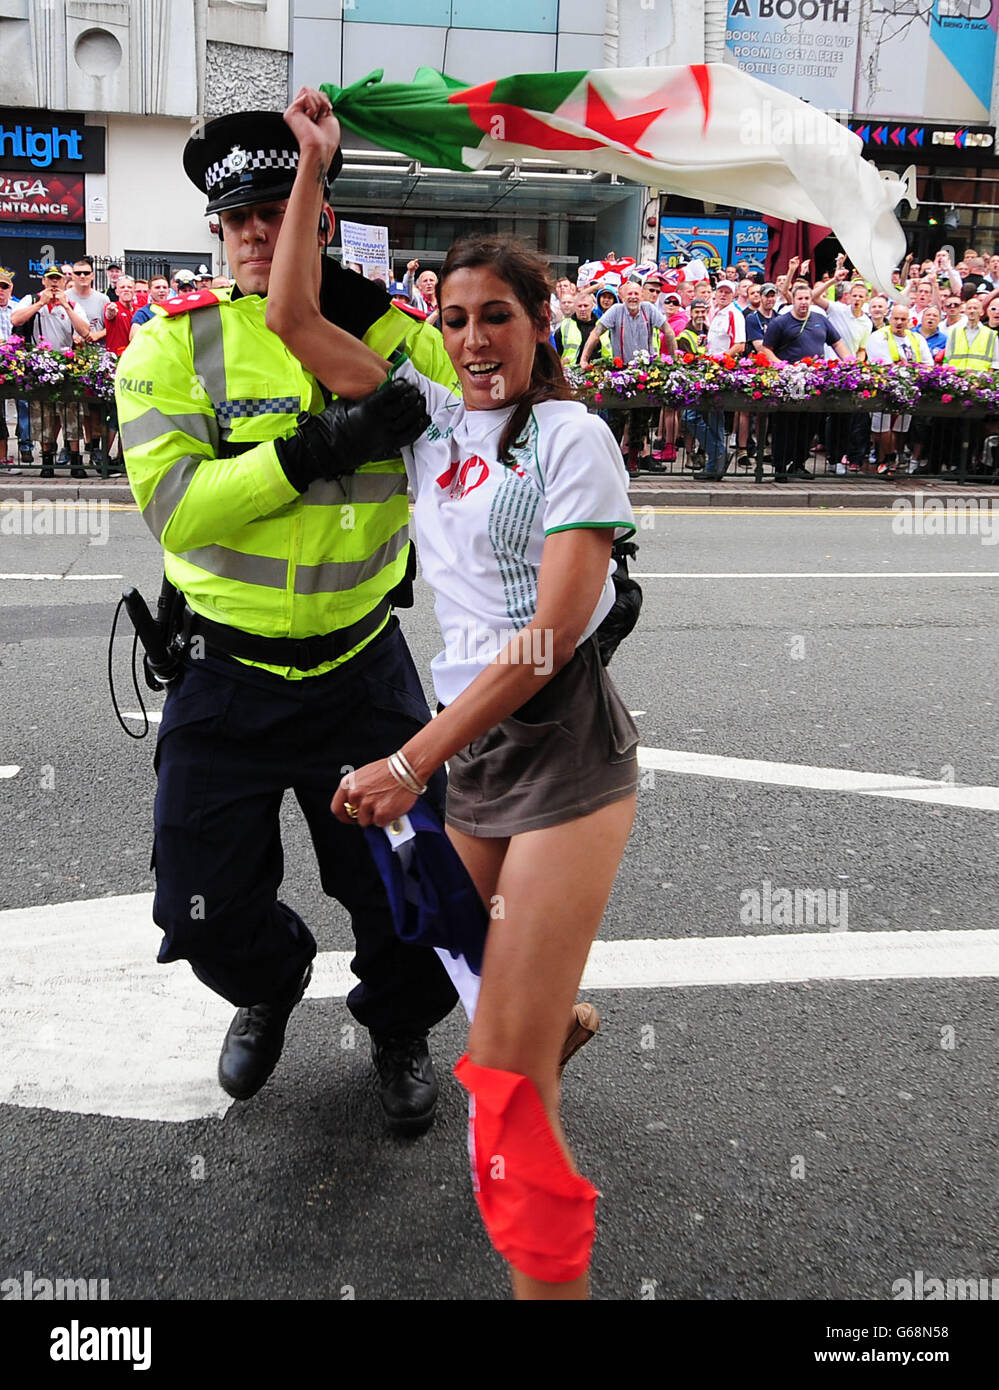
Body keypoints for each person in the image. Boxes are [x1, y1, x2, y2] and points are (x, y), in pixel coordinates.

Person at [268, 86, 638, 1302]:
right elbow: (290, 313)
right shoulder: (425, 421)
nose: (473, 338)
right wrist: (316, 166)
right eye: (454, 318)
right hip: (464, 756)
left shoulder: (571, 441)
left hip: (560, 756)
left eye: (497, 317)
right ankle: (552, 1019)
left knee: (500, 1083)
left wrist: (409, 761)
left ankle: (551, 1275)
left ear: (541, 325)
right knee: (443, 935)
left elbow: (546, 641)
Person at [115, 107, 469, 1133]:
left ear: (316, 217)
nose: (258, 234)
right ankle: (270, 981)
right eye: (238, 220)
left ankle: (396, 1025)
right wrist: (315, 448)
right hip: (225, 672)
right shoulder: (169, 347)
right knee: (199, 903)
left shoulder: (400, 335)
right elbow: (179, 507)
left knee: (413, 894)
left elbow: (491, 452)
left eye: (279, 210)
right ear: (217, 233)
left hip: (363, 667)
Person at [579, 276, 675, 474]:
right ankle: (611, 464)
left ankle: (632, 462)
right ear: (622, 296)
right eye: (629, 294)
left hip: (645, 373)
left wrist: (674, 360)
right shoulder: (616, 311)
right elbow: (596, 333)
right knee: (616, 421)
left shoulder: (649, 310)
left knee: (640, 421)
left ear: (641, 296)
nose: (633, 297)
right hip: (620, 373)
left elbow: (669, 331)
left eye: (636, 294)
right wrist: (584, 360)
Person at [10, 266, 93, 477]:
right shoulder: (31, 299)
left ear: (64, 282)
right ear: (44, 282)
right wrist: (40, 303)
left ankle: (76, 460)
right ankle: (47, 461)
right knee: (43, 415)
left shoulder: (72, 304)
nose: (54, 283)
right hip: (40, 365)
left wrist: (66, 306)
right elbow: (15, 320)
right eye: (50, 279)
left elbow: (85, 331)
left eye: (58, 279)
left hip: (66, 364)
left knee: (71, 414)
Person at [762, 283, 850, 482]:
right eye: (799, 298)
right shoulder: (780, 322)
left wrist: (851, 364)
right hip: (789, 382)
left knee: (808, 425)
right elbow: (766, 349)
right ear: (793, 299)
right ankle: (780, 466)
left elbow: (838, 344)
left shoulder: (820, 320)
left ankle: (799, 464)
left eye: (806, 299)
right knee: (785, 425)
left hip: (814, 382)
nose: (803, 302)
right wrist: (784, 366)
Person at [865, 302, 934, 476]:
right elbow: (883, 363)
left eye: (903, 319)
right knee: (879, 429)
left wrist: (909, 367)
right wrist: (906, 366)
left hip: (909, 389)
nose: (899, 322)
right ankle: (889, 457)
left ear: (909, 320)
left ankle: (888, 463)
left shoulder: (916, 338)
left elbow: (928, 363)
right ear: (890, 318)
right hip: (884, 389)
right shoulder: (879, 336)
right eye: (896, 318)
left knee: (899, 429)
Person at [0, 267, 34, 473]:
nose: (1, 291)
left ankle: (26, 446)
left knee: (24, 402)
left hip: (16, 361)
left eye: (5, 287)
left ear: (11, 289)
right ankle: (2, 453)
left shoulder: (17, 307)